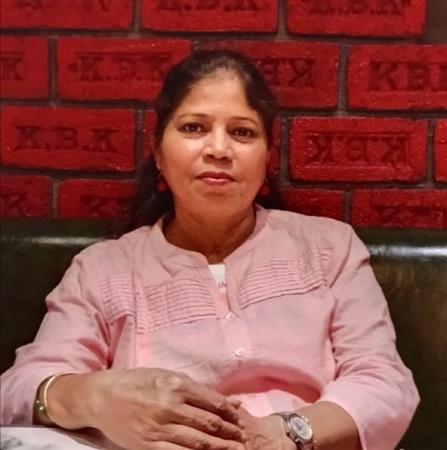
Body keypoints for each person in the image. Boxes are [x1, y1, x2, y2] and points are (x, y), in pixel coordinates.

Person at [0, 49, 419, 450]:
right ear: (158, 152)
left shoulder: (329, 248)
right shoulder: (103, 269)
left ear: (267, 157)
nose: (218, 149)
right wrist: (94, 396)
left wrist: (284, 434)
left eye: (242, 132)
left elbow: (384, 381)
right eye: (193, 128)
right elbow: (17, 389)